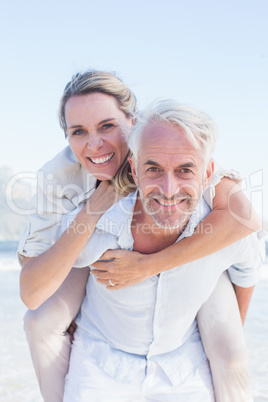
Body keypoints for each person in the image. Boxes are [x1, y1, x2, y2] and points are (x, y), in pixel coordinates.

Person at [19, 71, 260, 401]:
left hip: (186, 257)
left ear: (132, 122)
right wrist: (94, 208)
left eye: (107, 126)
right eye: (78, 131)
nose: (94, 143)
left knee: (232, 356)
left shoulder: (168, 145)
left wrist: (150, 265)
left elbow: (244, 220)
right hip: (85, 245)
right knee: (41, 322)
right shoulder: (58, 177)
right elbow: (33, 281)